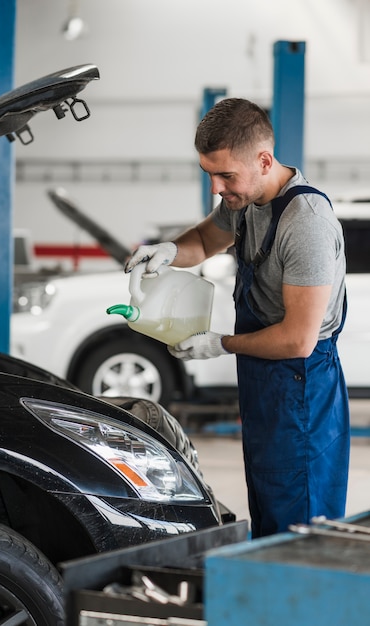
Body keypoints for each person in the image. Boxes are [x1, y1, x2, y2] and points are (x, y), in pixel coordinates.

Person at [125, 97, 350, 539]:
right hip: (266, 381)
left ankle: (298, 607)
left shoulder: (306, 223)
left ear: (264, 160)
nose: (216, 187)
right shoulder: (245, 199)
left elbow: (297, 340)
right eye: (210, 174)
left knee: (300, 527)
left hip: (302, 385)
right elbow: (208, 238)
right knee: (269, 510)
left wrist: (219, 343)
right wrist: (171, 251)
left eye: (225, 175)